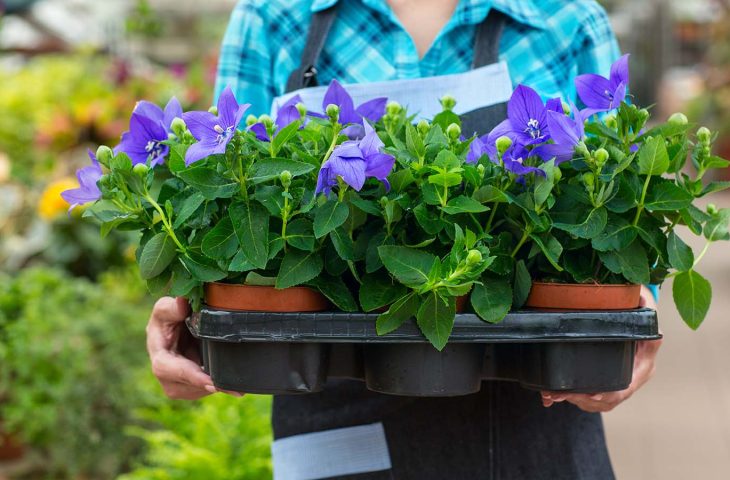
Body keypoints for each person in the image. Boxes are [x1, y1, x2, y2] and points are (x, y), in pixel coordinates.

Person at [146, 1, 663, 478]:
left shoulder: (566, 17)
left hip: (534, 423)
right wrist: (188, 317)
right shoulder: (274, 15)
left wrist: (632, 315)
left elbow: (611, 193)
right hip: (336, 417)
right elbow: (223, 209)